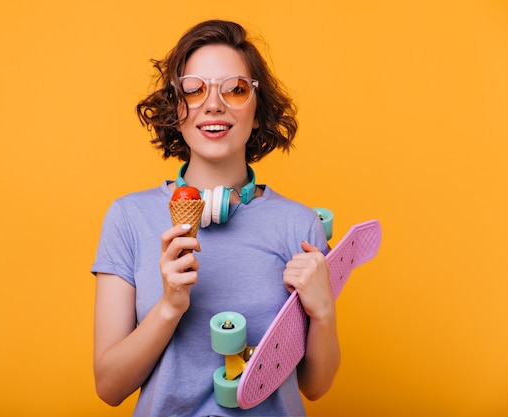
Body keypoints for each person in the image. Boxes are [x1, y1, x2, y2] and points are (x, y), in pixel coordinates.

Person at [92, 19, 340, 416]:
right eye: (194, 89)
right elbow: (109, 386)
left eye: (236, 89)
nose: (213, 103)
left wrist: (323, 312)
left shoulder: (301, 225)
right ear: (177, 107)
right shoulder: (128, 217)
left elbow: (315, 386)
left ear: (258, 112)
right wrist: (170, 306)